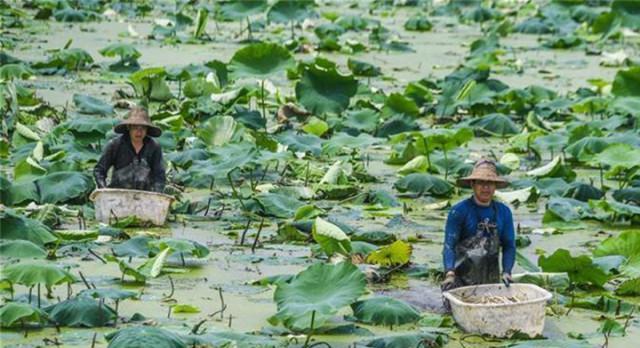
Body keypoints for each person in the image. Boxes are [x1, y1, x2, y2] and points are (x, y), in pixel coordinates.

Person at [441, 159, 516, 292]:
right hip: (461, 283)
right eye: (481, 182)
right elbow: (449, 246)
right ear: (472, 184)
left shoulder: (504, 212)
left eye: (490, 183)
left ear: (495, 186)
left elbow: (509, 245)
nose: (485, 187)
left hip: (491, 283)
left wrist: (507, 272)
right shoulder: (459, 211)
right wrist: (449, 273)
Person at [94, 107, 166, 193]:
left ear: (147, 129)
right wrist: (103, 189)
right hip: (118, 193)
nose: (139, 133)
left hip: (145, 194)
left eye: (142, 128)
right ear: (129, 127)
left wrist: (157, 194)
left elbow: (159, 175)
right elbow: (99, 170)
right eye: (135, 128)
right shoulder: (115, 145)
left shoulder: (154, 147)